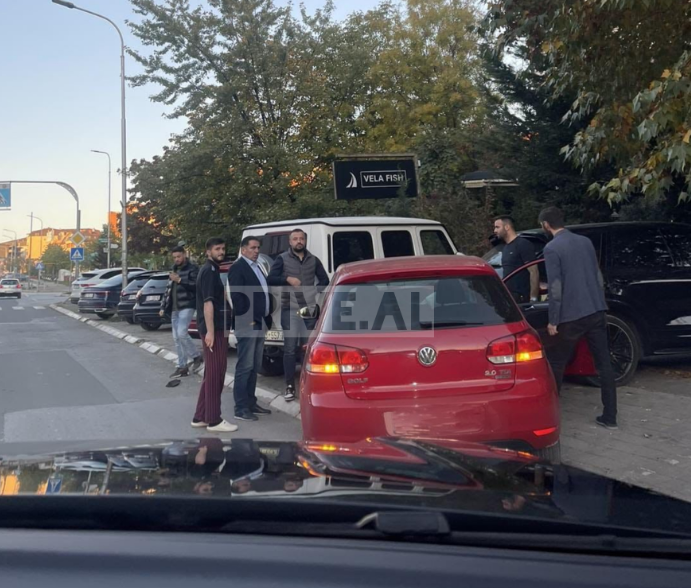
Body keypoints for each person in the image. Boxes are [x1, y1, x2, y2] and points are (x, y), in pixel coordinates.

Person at [538, 206, 618, 429]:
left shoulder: (551, 248)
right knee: (604, 364)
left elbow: (555, 287)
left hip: (571, 315)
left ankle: (551, 416)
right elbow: (597, 275)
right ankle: (610, 417)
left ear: (546, 225)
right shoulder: (585, 242)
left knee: (556, 362)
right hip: (596, 310)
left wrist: (553, 320)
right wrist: (601, 302)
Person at [267, 228, 329, 401]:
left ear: (305, 241)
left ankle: (307, 385)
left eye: (301, 238)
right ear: (290, 242)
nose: (299, 241)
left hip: (309, 310)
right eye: (295, 239)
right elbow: (270, 278)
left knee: (307, 349)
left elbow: (325, 280)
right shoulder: (282, 259)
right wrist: (287, 279)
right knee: (289, 349)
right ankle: (289, 386)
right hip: (290, 309)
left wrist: (315, 290)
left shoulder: (313, 260)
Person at [192, 237, 238, 433]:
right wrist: (210, 332)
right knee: (215, 374)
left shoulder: (212, 270)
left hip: (218, 328)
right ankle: (213, 420)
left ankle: (200, 416)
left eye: (223, 248)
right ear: (208, 252)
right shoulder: (209, 271)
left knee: (212, 372)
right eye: (217, 249)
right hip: (215, 330)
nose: (221, 252)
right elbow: (208, 303)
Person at [228, 236, 273, 421]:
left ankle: (250, 402)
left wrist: (266, 318)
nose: (256, 251)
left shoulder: (257, 267)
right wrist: (250, 320)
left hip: (260, 321)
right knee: (245, 366)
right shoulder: (238, 268)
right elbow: (237, 298)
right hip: (247, 323)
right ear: (243, 249)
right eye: (253, 248)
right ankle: (240, 408)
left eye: (258, 248)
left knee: (254, 366)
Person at [160, 245, 203, 378]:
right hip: (174, 307)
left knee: (181, 333)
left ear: (184, 255)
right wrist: (162, 306)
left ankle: (196, 356)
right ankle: (182, 367)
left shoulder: (193, 268)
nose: (176, 259)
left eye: (179, 256)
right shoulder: (174, 269)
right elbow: (168, 289)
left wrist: (179, 280)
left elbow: (196, 286)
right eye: (174, 257)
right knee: (177, 338)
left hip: (187, 305)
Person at [493, 216, 539, 303]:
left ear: (507, 227)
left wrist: (533, 298)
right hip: (510, 297)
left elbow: (534, 272)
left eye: (497, 227)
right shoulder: (505, 248)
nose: (495, 230)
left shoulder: (523, 244)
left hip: (522, 298)